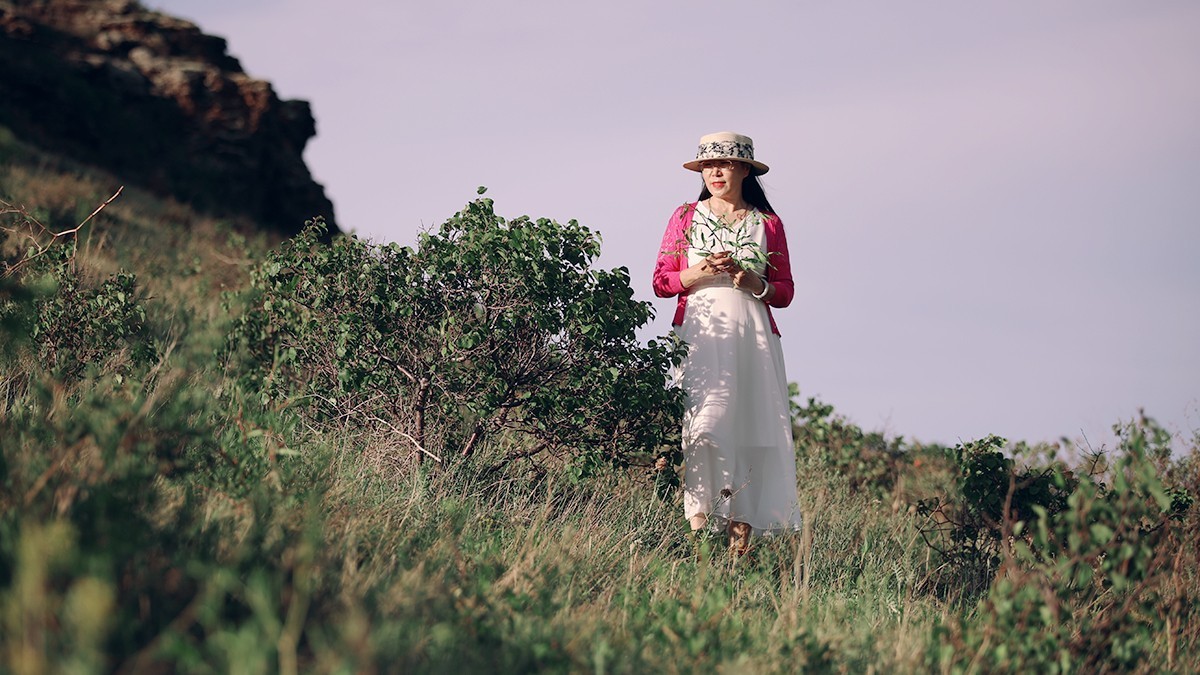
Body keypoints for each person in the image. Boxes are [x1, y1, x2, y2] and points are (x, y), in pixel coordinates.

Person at [652, 131, 802, 554]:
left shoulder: (767, 223)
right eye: (708, 166)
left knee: (751, 432)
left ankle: (739, 555)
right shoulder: (685, 216)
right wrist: (696, 273)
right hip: (700, 332)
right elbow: (661, 281)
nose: (716, 172)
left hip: (752, 334)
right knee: (703, 430)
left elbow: (785, 291)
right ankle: (699, 541)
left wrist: (756, 283)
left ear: (744, 170)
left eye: (725, 164)